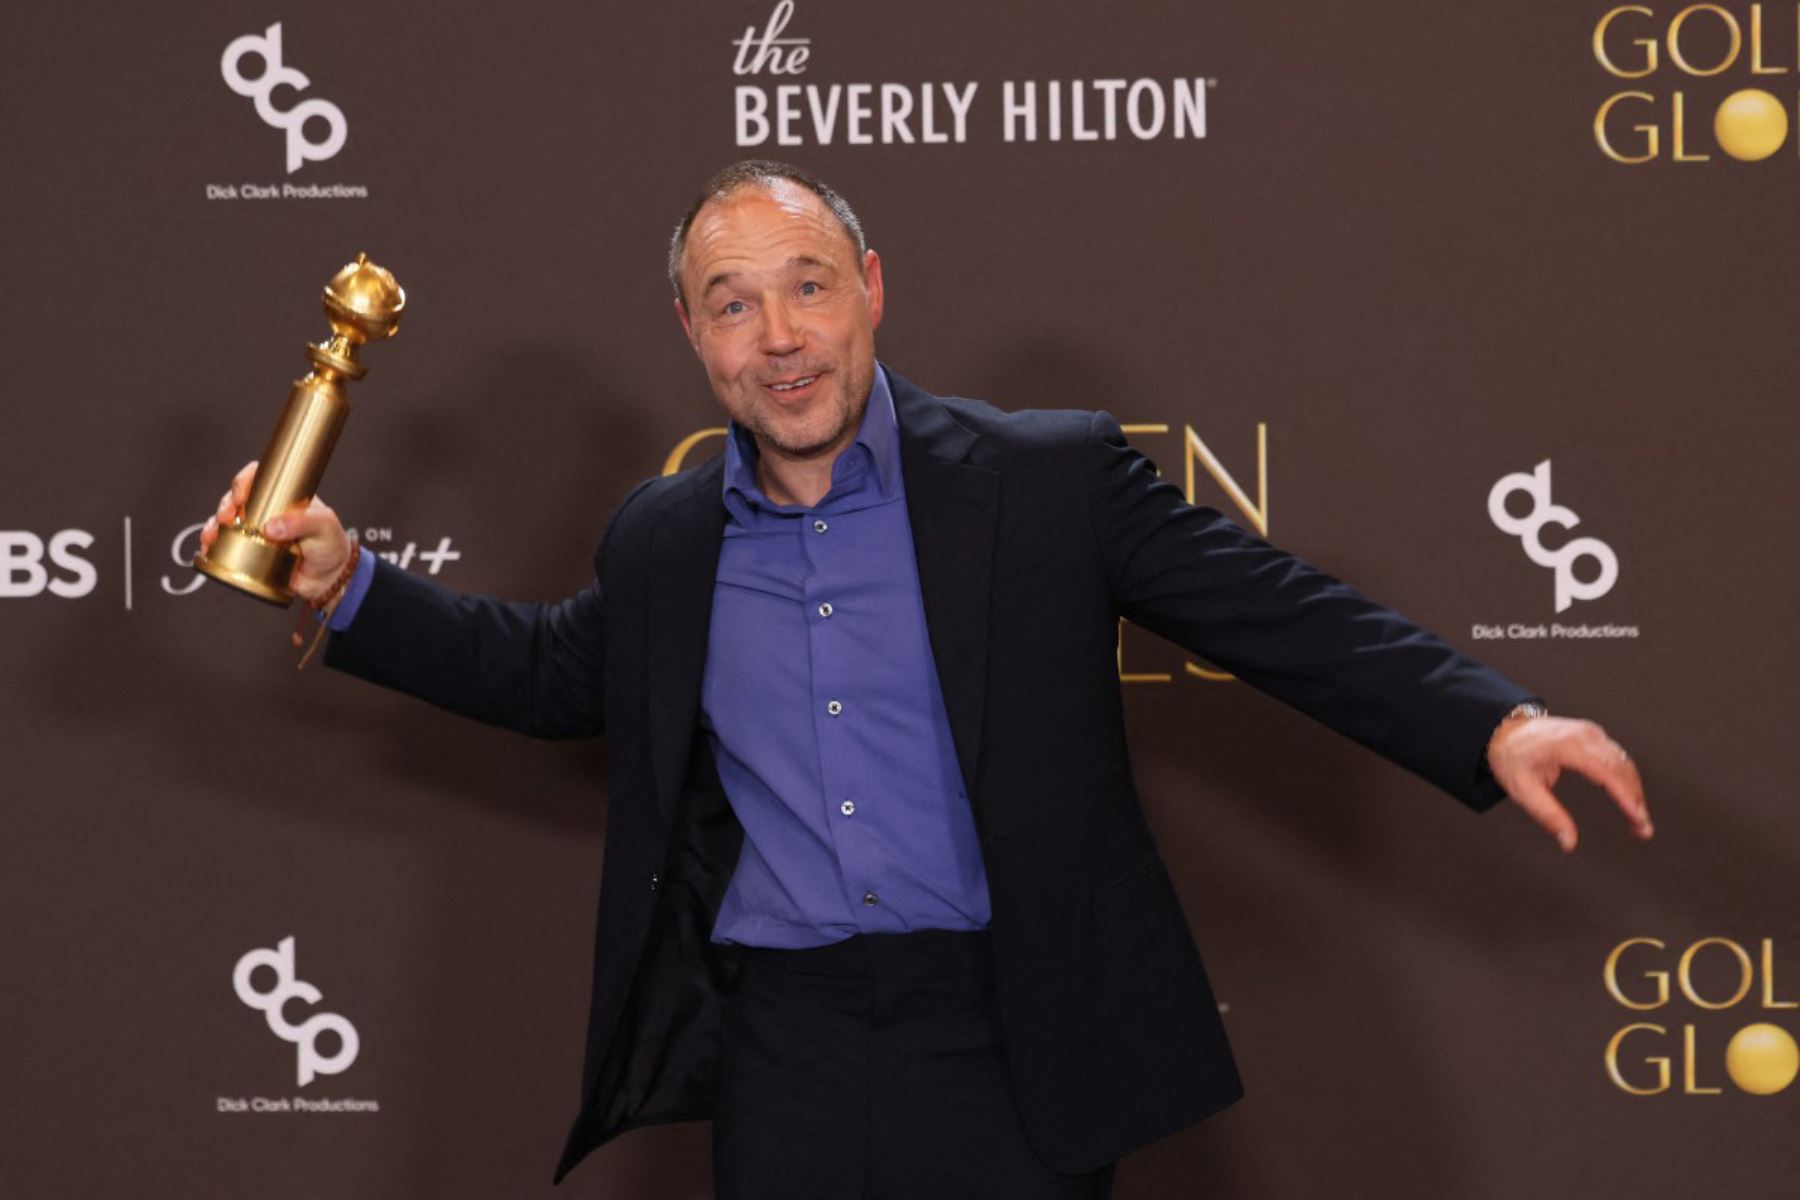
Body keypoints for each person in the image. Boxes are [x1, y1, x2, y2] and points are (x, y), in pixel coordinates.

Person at [200, 159, 1652, 1198]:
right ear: (694, 339)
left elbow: (1277, 612)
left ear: (873, 293)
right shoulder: (664, 534)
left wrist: (1497, 721)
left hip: (1011, 1029)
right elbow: (555, 672)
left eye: (808, 287)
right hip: (786, 1049)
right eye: (732, 304)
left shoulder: (1045, 479)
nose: (780, 338)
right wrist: (351, 585)